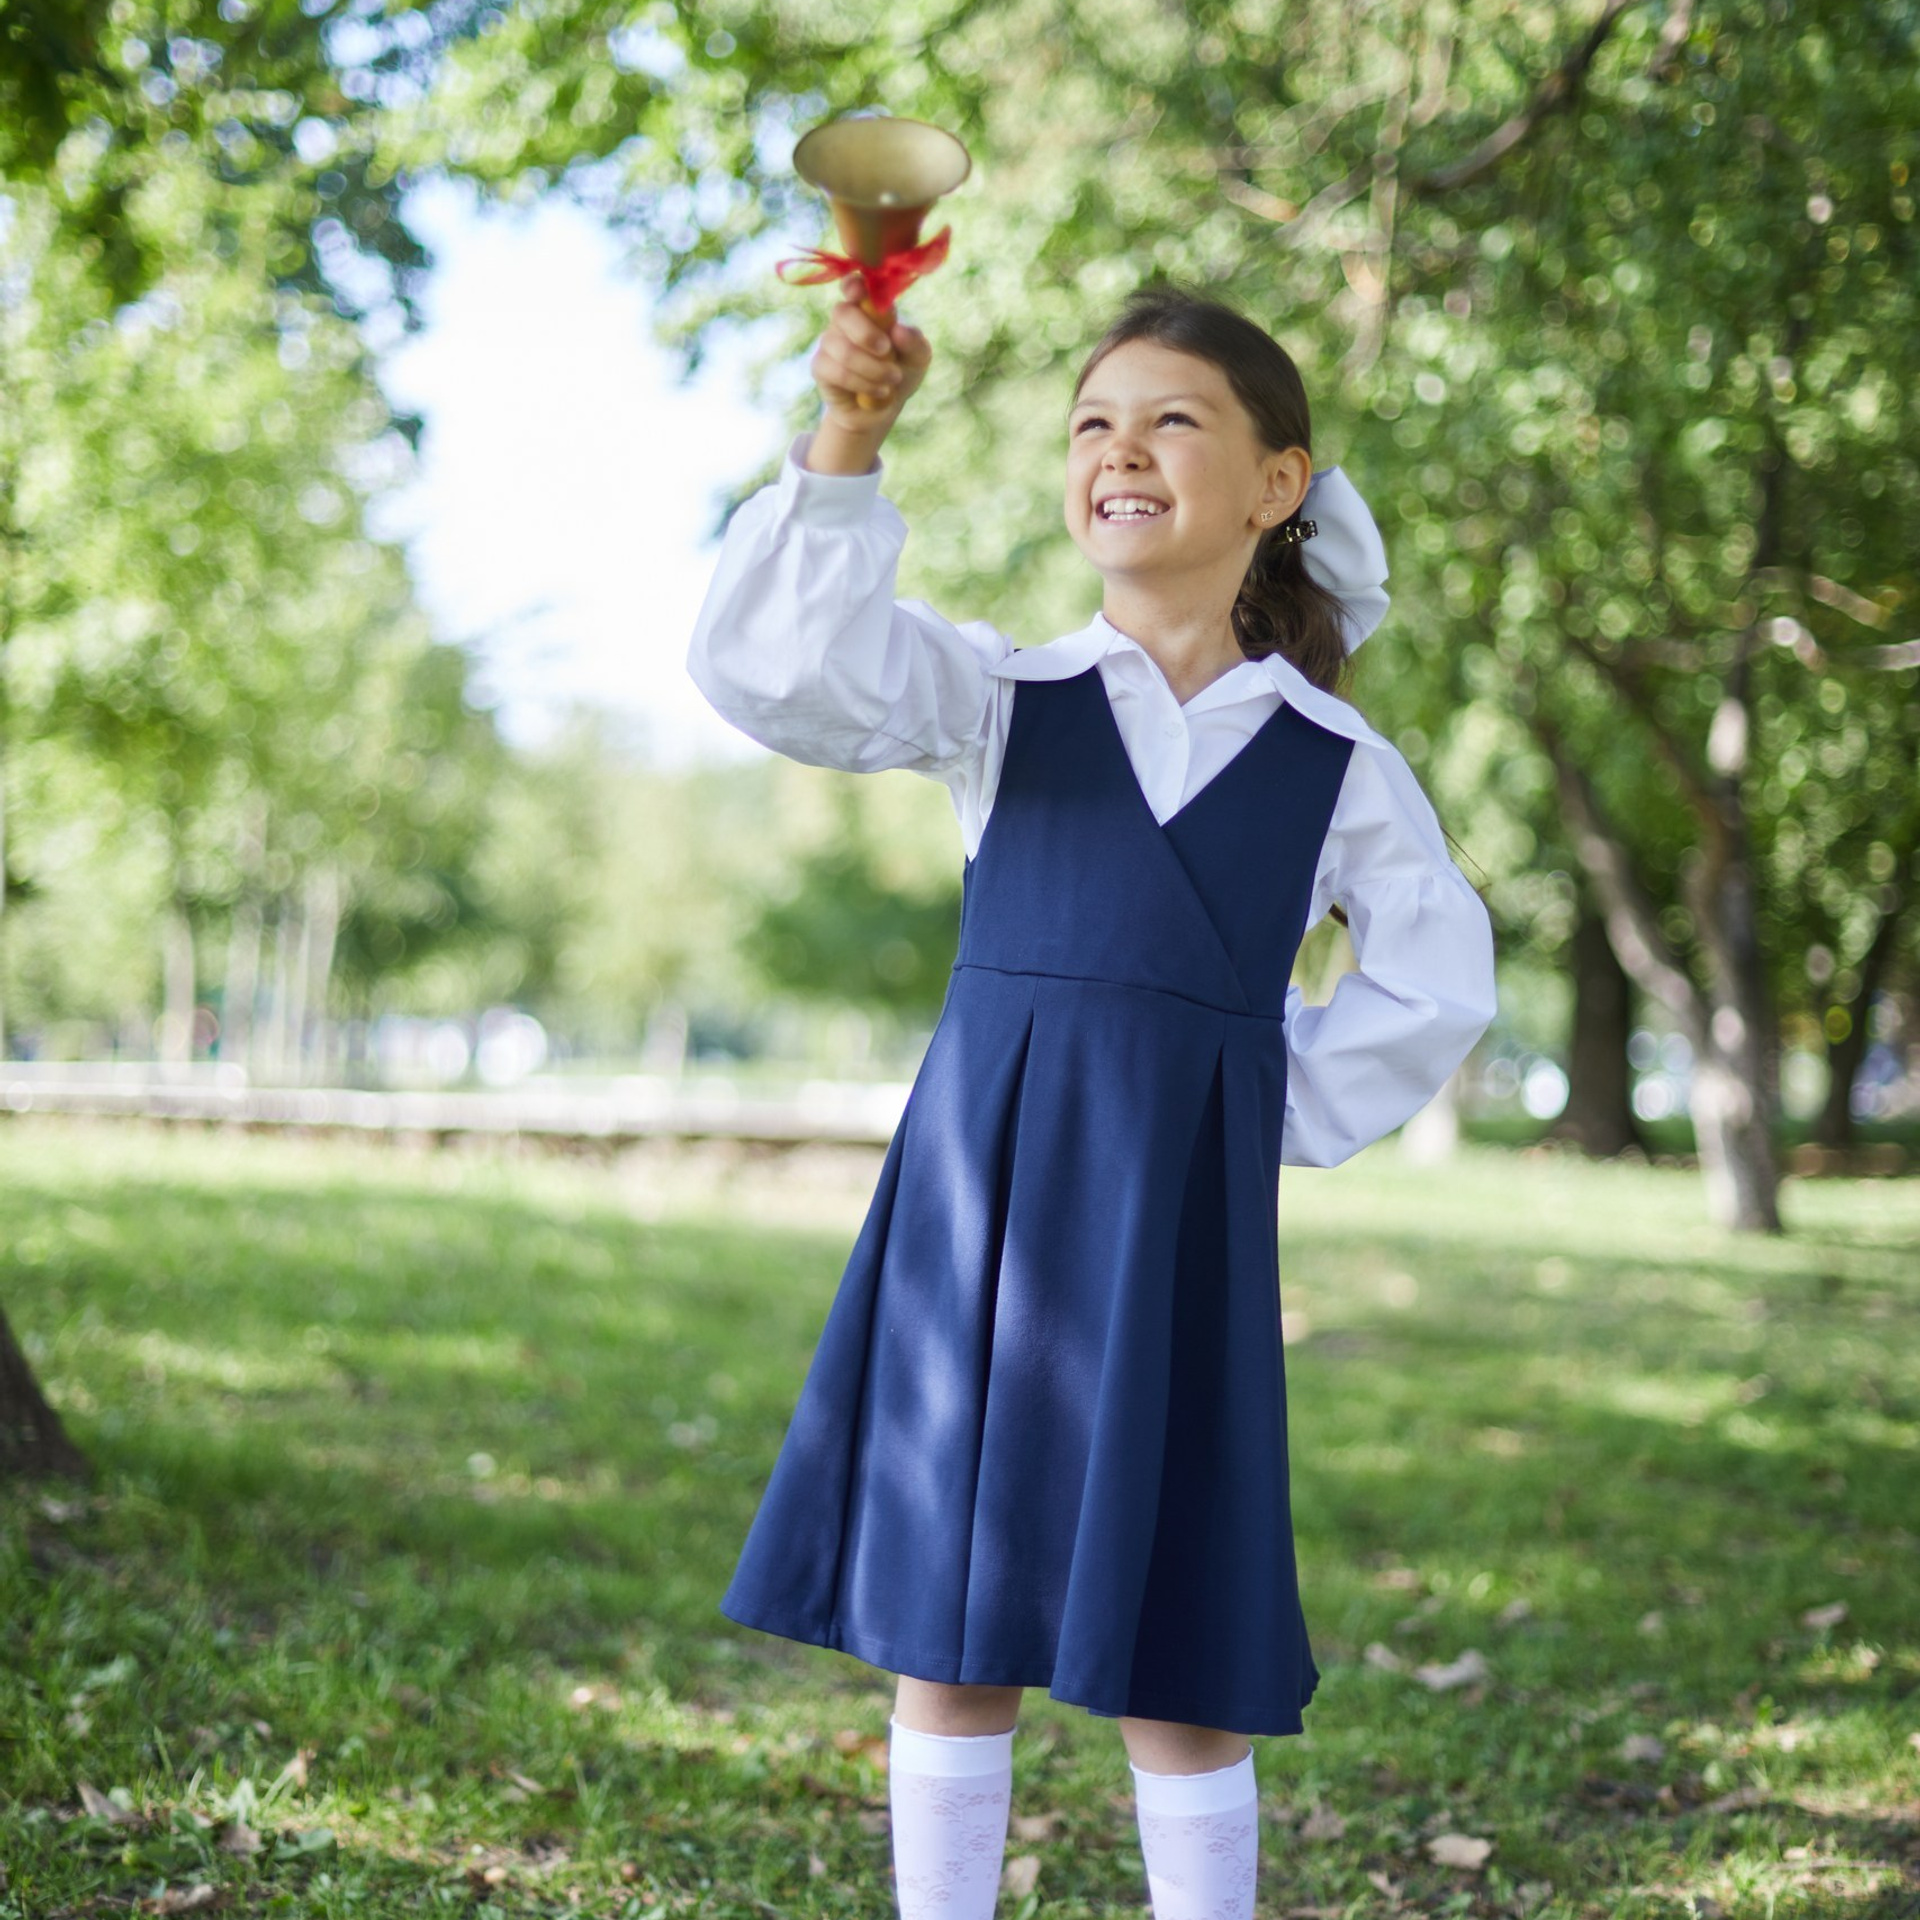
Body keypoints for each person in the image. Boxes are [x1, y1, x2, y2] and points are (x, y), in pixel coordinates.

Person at [685, 278, 1498, 1920]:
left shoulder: (1333, 758)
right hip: (980, 1213)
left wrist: (1252, 1099)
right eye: (1092, 425)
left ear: (1277, 484)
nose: (1119, 451)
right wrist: (847, 434)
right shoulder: (999, 697)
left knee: (1180, 1652)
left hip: (1178, 1230)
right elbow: (778, 671)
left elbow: (1439, 983)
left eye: (1171, 420)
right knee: (951, 1635)